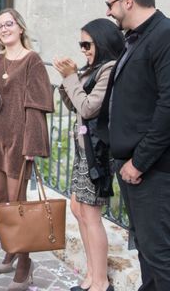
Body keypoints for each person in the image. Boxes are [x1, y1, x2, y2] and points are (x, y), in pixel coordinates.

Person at [0, 8, 53, 291]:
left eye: (8, 24)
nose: (4, 29)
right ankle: (11, 248)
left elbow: (38, 105)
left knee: (18, 206)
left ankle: (25, 263)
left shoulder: (33, 61)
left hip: (19, 140)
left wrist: (32, 144)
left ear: (20, 27)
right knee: (2, 200)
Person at [98, 0, 170, 291]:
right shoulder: (135, 37)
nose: (108, 11)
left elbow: (168, 107)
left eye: (110, 3)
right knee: (145, 250)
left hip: (153, 169)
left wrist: (139, 162)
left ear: (128, 0)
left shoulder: (164, 35)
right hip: (131, 167)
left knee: (159, 254)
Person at [55, 19, 123, 291]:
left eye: (87, 44)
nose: (83, 50)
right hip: (84, 149)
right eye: (80, 44)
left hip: (98, 152)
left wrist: (72, 77)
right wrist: (68, 78)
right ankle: (92, 274)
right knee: (78, 208)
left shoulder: (110, 69)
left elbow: (88, 106)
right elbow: (75, 105)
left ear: (103, 42)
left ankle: (101, 282)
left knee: (91, 214)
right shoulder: (94, 68)